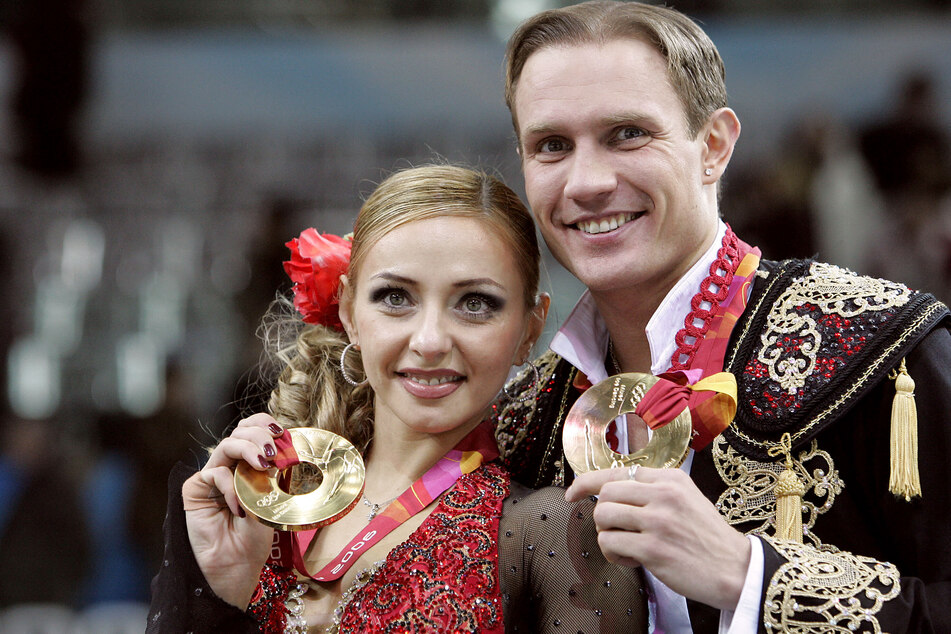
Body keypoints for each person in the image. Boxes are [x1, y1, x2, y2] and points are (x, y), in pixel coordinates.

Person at [492, 2, 951, 632]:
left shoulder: (882, 351)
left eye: (628, 134)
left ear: (713, 146)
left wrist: (749, 575)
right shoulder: (523, 418)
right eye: (551, 146)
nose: (588, 181)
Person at [146, 164, 647, 633]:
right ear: (347, 311)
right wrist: (218, 590)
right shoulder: (250, 514)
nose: (429, 341)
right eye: (395, 297)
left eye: (475, 303)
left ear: (529, 327)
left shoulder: (554, 531)